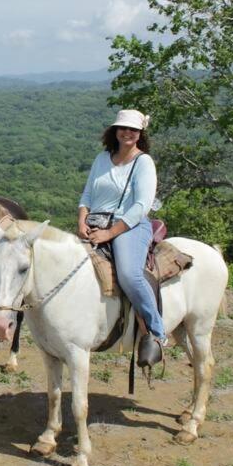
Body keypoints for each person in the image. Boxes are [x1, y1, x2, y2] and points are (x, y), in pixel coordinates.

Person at [77, 109, 165, 364]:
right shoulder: (102, 158)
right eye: (123, 128)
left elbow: (141, 206)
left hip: (130, 225)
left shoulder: (143, 162)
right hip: (95, 222)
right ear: (114, 131)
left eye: (133, 130)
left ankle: (156, 333)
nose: (127, 133)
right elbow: (87, 196)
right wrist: (82, 219)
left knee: (129, 273)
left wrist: (110, 233)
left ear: (140, 134)